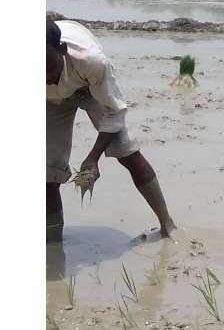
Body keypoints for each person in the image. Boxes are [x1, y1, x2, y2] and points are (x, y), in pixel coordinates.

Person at [46, 19, 175, 243]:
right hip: (50, 99)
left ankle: (167, 225)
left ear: (61, 50)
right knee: (46, 172)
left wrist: (93, 158)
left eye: (47, 65)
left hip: (90, 87)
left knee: (126, 151)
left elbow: (113, 112)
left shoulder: (91, 60)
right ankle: (52, 243)